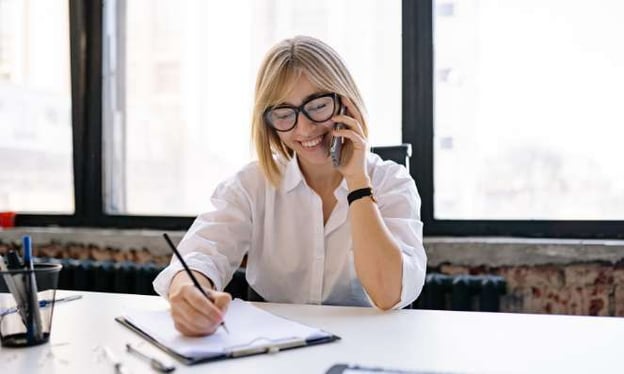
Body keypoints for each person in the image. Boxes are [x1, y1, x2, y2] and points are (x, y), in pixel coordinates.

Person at [153, 36, 427, 336]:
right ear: (269, 123)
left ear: (345, 103)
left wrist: (358, 182)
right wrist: (189, 290)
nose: (305, 128)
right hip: (277, 347)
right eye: (285, 114)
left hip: (367, 345)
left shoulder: (392, 182)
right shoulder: (251, 184)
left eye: (318, 105)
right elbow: (203, 253)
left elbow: (389, 293)